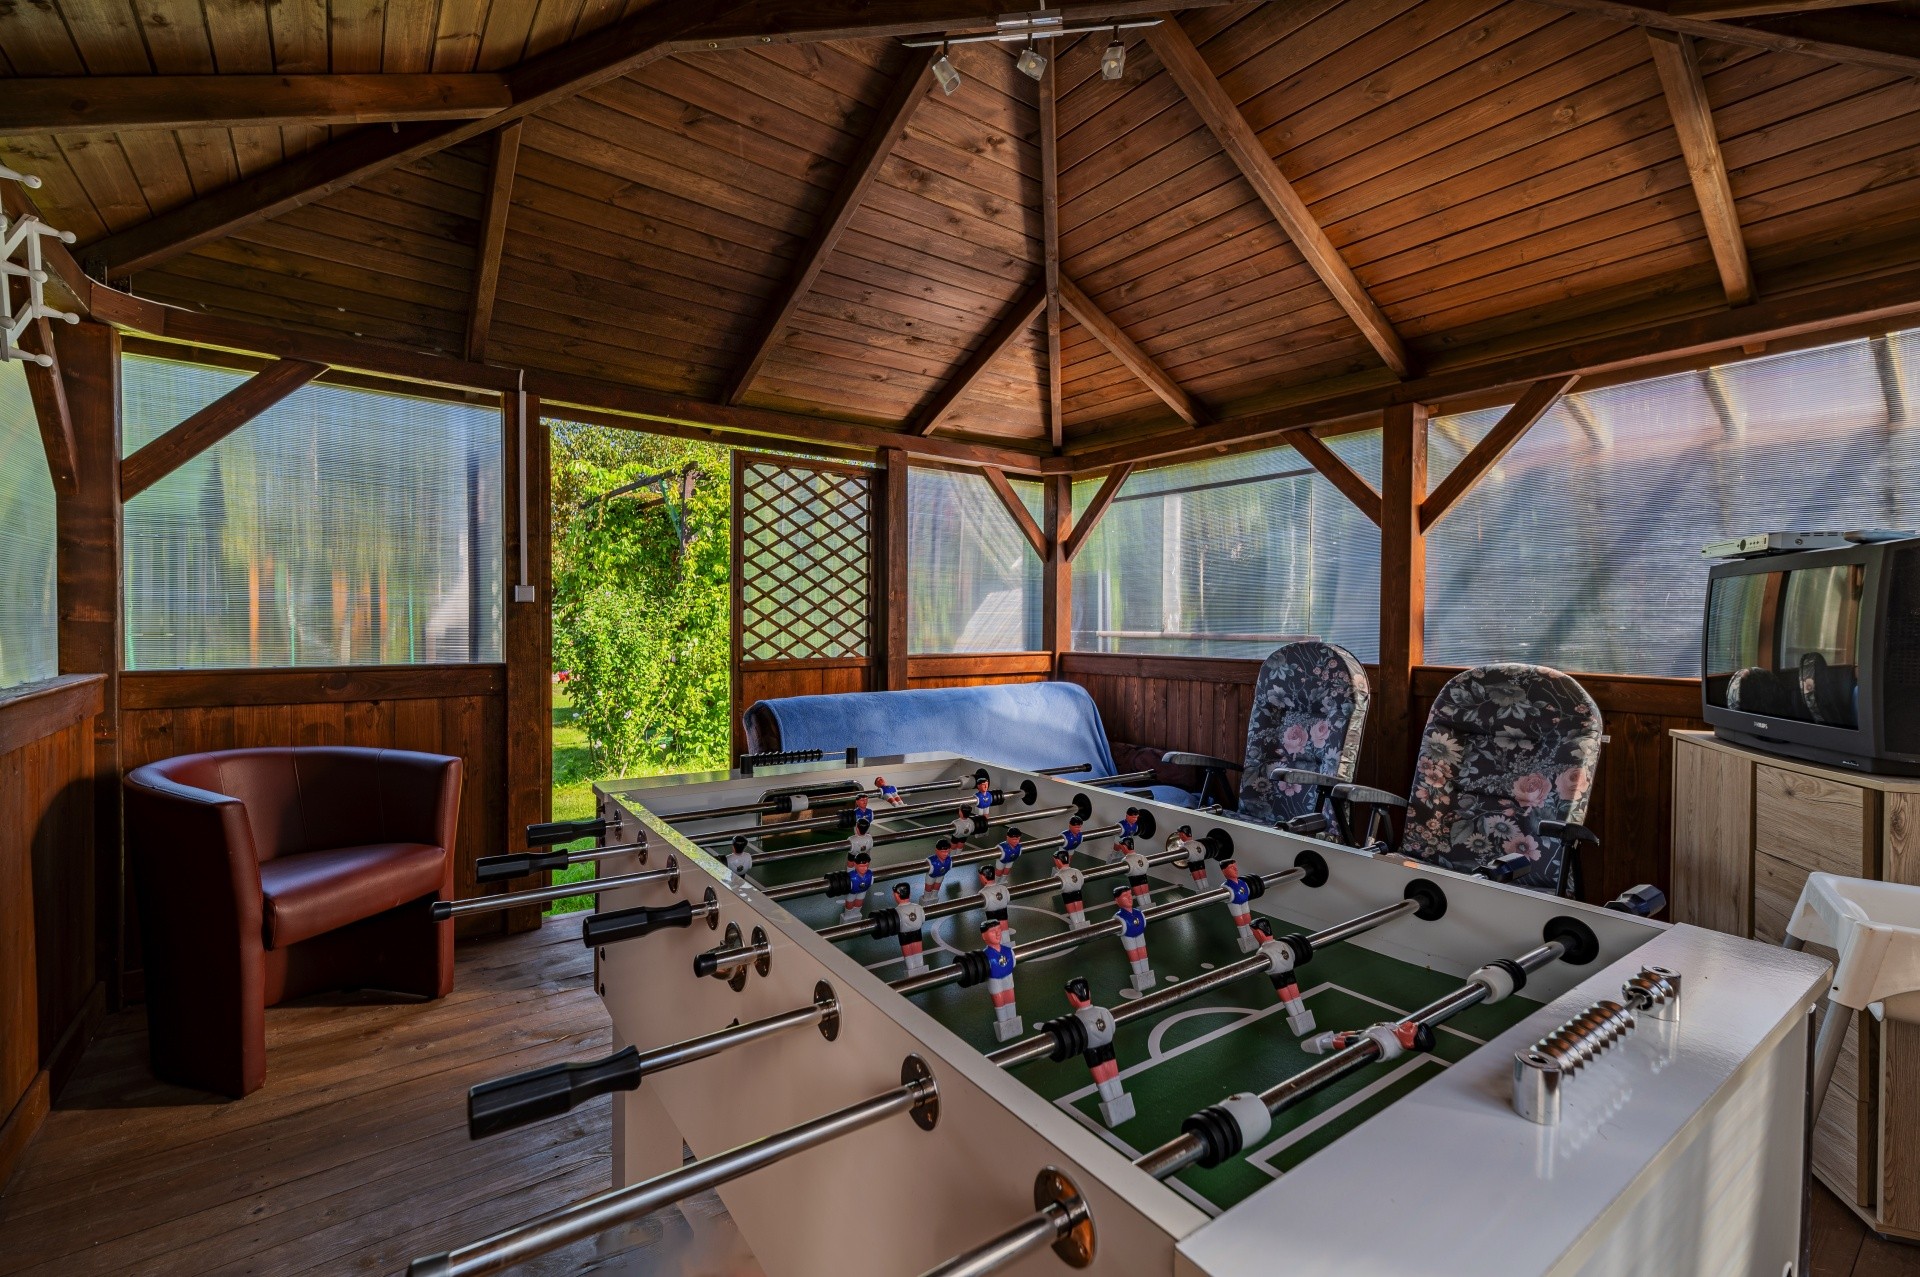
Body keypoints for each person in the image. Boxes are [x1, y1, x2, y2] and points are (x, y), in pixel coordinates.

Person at [1063, 976, 1132, 1126]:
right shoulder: (1104, 1011)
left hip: (1091, 1050)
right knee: (1113, 1074)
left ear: (1073, 997)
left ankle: (1112, 1110)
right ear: (1089, 993)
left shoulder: (1077, 1020)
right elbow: (1112, 1027)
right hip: (1108, 1045)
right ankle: (1122, 1105)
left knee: (1102, 1079)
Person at [1250, 918, 1316, 1036]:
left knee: (1286, 994)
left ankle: (1298, 1021)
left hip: (1277, 972)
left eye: (1254, 932)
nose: (1254, 935)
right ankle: (1303, 1018)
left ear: (1259, 933)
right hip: (1289, 968)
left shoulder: (1263, 951)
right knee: (1294, 991)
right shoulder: (1281, 944)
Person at [981, 918, 1021, 1041]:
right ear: (984, 936)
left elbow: (1013, 963)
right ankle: (1003, 1024)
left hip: (1008, 978)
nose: (998, 934)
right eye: (993, 931)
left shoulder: (1008, 951)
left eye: (999, 930)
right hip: (995, 981)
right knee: (999, 1000)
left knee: (1010, 997)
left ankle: (1013, 1022)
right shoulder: (985, 956)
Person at [1112, 884, 1153, 990]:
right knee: (1133, 953)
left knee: (1142, 951)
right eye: (1125, 896)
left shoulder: (1138, 912)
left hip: (1140, 934)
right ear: (1117, 900)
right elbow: (1116, 928)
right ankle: (1138, 975)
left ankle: (1146, 973)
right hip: (1128, 936)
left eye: (1130, 895)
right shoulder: (1118, 917)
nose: (1130, 898)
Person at [891, 882, 927, 974]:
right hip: (917, 933)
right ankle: (921, 970)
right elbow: (923, 919)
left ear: (897, 895)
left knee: (908, 955)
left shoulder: (896, 911)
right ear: (910, 894)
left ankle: (911, 971)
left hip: (904, 935)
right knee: (918, 952)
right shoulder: (918, 907)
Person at [1220, 858, 1255, 952]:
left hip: (1244, 902)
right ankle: (1244, 939)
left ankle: (1252, 937)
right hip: (1234, 903)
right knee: (1240, 920)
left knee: (1247, 917)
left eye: (1235, 867)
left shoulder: (1242, 882)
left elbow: (1247, 891)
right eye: (1232, 868)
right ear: (1224, 871)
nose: (1236, 869)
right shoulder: (1225, 886)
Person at [976, 860, 1014, 940]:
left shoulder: (982, 892)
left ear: (983, 877)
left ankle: (996, 942)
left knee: (994, 927)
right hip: (1003, 911)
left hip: (991, 915)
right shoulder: (1003, 888)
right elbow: (1007, 898)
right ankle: (1006, 941)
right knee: (1004, 922)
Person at [1053, 847, 1088, 930]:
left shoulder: (1058, 875)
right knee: (1079, 905)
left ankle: (1075, 924)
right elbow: (1081, 880)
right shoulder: (1077, 871)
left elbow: (1058, 886)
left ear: (1058, 861)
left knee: (1071, 906)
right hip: (1078, 891)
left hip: (1066, 893)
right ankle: (1083, 922)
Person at [1122, 838, 1154, 907]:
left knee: (1140, 894)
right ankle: (1150, 909)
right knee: (1145, 892)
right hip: (1143, 876)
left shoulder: (1125, 860)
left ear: (1124, 847)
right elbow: (1145, 866)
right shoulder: (1142, 857)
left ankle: (1146, 909)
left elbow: (1125, 871)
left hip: (1133, 878)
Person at [842, 851, 873, 922]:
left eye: (867, 866)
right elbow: (850, 864)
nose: (865, 868)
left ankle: (856, 914)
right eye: (862, 866)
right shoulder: (851, 874)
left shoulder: (869, 875)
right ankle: (848, 915)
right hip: (852, 891)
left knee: (859, 900)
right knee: (850, 901)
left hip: (862, 891)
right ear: (855, 864)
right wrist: (852, 852)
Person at [923, 838, 955, 904]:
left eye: (947, 851)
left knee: (937, 887)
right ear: (937, 850)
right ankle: (926, 899)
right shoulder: (931, 861)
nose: (946, 854)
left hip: (941, 875)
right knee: (929, 888)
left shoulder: (949, 860)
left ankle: (934, 899)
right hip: (931, 876)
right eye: (943, 852)